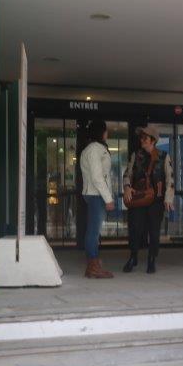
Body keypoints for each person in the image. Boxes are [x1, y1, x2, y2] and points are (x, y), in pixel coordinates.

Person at [122, 124, 175, 273]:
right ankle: (133, 257)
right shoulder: (135, 155)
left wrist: (168, 198)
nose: (142, 140)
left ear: (153, 140)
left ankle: (152, 258)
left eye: (145, 138)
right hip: (139, 198)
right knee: (135, 229)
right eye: (141, 138)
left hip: (156, 200)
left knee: (154, 231)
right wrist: (127, 187)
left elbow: (170, 178)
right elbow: (127, 174)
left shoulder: (164, 156)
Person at [78, 119, 115, 278]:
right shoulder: (94, 149)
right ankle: (93, 266)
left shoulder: (96, 148)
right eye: (105, 130)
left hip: (95, 194)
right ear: (101, 132)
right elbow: (97, 177)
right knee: (93, 231)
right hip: (96, 194)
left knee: (94, 230)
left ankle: (93, 265)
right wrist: (108, 198)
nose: (107, 133)